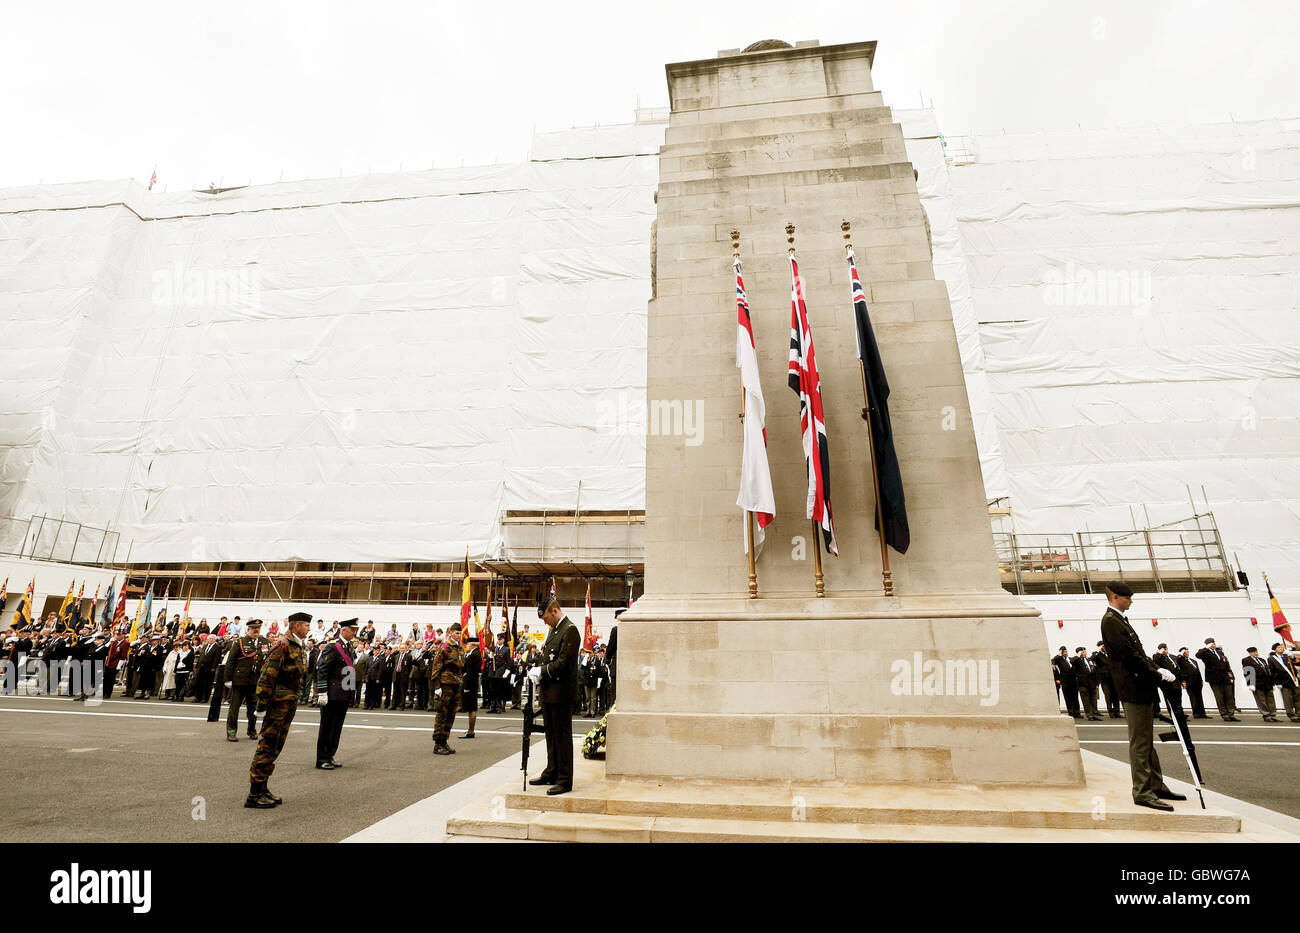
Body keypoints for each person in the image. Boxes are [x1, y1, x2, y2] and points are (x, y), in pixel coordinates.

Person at [1099, 580, 1185, 811]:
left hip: (1141, 686)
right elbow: (1130, 658)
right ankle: (1142, 791)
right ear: (1116, 597)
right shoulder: (1111, 621)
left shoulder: (1119, 620)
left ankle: (1156, 785)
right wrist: (1156, 675)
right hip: (1133, 688)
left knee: (1146, 741)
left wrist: (1156, 669)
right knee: (1139, 742)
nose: (1131, 601)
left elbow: (1140, 653)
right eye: (1127, 597)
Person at [245, 611, 311, 809]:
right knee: (267, 745)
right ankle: (254, 792)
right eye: (306, 625)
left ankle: (263, 786)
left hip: (288, 703)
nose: (309, 628)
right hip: (276, 704)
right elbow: (267, 676)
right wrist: (262, 705)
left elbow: (299, 676)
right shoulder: (282, 646)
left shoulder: (297, 646)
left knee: (276, 746)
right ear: (296, 626)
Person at [528, 591, 580, 795]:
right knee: (550, 734)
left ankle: (565, 779)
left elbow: (563, 664)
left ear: (555, 611)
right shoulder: (555, 630)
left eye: (547, 618)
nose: (545, 623)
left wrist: (541, 671)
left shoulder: (570, 630)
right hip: (549, 691)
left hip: (562, 692)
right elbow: (547, 657)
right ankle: (552, 770)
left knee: (562, 736)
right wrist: (536, 668)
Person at [315, 618, 358, 769]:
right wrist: (321, 692)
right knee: (327, 726)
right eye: (352, 630)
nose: (354, 633)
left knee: (337, 727)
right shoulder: (333, 646)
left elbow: (349, 671)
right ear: (343, 630)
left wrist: (351, 693)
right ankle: (322, 758)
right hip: (332, 693)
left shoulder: (348, 646)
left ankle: (330, 755)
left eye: (355, 630)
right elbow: (323, 669)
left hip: (343, 693)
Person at [225, 619, 266, 741]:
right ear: (248, 630)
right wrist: (228, 679)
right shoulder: (241, 642)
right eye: (254, 630)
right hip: (240, 680)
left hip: (255, 681)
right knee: (234, 708)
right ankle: (231, 731)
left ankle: (251, 730)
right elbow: (231, 661)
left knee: (253, 708)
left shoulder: (264, 642)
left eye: (257, 630)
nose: (256, 632)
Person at [430, 623, 464, 755]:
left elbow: (461, 666)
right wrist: (437, 687)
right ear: (451, 633)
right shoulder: (444, 647)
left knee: (451, 714)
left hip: (456, 683)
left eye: (460, 634)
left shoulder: (460, 647)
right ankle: (437, 743)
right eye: (456, 633)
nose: (459, 635)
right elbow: (436, 667)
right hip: (445, 684)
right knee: (442, 713)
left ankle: (444, 740)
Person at [1196, 638, 1239, 721]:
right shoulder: (1205, 652)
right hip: (1214, 678)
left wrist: (1230, 676)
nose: (1213, 644)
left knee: (1229, 696)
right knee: (1219, 697)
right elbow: (1198, 655)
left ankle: (1231, 714)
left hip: (1225, 677)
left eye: (1213, 643)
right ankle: (1224, 714)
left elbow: (1226, 663)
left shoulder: (1220, 652)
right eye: (1211, 643)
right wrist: (1206, 648)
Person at [1241, 648, 1278, 722]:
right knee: (1261, 700)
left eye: (1256, 652)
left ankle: (1272, 714)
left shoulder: (1262, 660)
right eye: (1254, 652)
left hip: (1267, 683)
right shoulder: (1246, 660)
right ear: (1250, 653)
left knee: (1270, 699)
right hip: (1257, 683)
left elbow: (1268, 671)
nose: (1256, 653)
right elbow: (1248, 671)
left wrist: (1273, 683)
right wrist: (1251, 684)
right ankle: (1266, 715)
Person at [1268, 643, 1300, 722]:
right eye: (1279, 647)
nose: (1281, 648)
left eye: (1282, 647)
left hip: (1294, 680)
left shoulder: (1287, 656)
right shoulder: (1272, 658)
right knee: (1288, 700)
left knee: (1298, 698)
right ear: (1275, 649)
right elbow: (1272, 672)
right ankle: (1292, 715)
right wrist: (1277, 682)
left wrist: (1292, 656)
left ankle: (1299, 714)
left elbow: (1298, 663)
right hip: (1283, 682)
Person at [1091, 641, 1122, 718]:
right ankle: (1111, 712)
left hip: (1113, 678)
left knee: (1115, 696)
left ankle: (1117, 712)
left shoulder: (1109, 653)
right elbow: (1092, 659)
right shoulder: (1096, 654)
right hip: (1105, 679)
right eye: (1103, 646)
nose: (1105, 647)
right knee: (1108, 696)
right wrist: (1098, 651)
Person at [1176, 647, 1208, 718]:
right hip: (1189, 681)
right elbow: (1176, 661)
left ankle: (1202, 713)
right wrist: (1180, 654)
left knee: (1199, 697)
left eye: (1187, 651)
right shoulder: (1180, 660)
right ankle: (1196, 713)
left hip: (1197, 681)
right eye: (1185, 652)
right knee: (1193, 697)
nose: (1187, 653)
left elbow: (1198, 671)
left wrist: (1201, 680)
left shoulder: (1193, 661)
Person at [1071, 647, 1101, 721]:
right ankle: (1089, 715)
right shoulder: (1077, 660)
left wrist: (1097, 682)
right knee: (1086, 700)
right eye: (1083, 652)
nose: (1085, 653)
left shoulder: (1088, 660)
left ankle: (1094, 714)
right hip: (1082, 683)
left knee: (1093, 700)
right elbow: (1072, 661)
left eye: (1085, 651)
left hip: (1092, 683)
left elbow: (1094, 669)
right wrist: (1078, 656)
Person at [460, 635, 481, 738]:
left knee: (471, 708)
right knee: (471, 708)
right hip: (471, 683)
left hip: (470, 684)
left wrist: (466, 687)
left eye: (468, 644)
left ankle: (471, 731)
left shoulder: (474, 655)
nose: (466, 645)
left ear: (472, 644)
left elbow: (470, 673)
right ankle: (470, 730)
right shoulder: (474, 653)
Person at [1052, 647, 1079, 718]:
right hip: (1065, 682)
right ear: (1061, 652)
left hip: (1073, 681)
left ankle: (1077, 712)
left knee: (1075, 697)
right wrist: (1059, 654)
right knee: (1068, 698)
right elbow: (1053, 661)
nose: (1066, 653)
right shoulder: (1059, 659)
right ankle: (1071, 712)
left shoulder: (1070, 659)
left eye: (1066, 651)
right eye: (1064, 652)